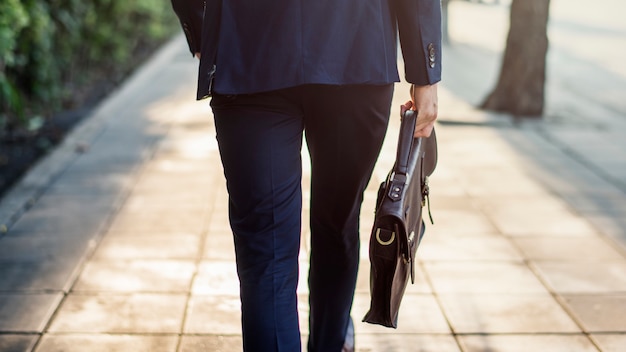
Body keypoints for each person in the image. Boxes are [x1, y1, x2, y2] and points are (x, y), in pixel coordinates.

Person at [171, 0, 442, 351]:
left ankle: (330, 338)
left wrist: (204, 27)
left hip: (254, 45)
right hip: (350, 44)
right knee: (327, 227)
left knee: (282, 241)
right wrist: (425, 71)